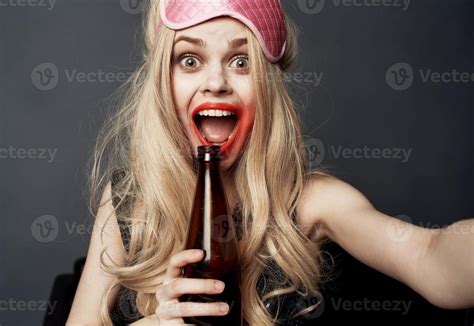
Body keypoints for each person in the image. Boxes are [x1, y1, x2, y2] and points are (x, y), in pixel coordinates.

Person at [66, 1, 474, 325]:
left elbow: (428, 257)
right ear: (163, 83)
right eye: (189, 60)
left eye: (241, 62)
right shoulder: (128, 201)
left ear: (267, 86)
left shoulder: (313, 200)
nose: (216, 82)